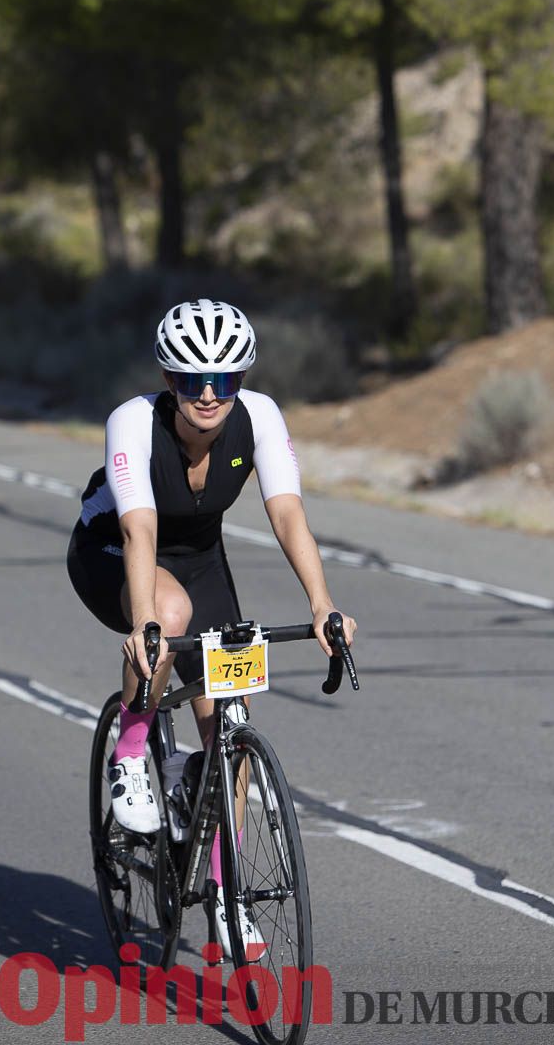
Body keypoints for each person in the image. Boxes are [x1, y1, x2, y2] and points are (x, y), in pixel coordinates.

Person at [67, 298, 357, 954]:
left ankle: (227, 898)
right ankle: (134, 750)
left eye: (223, 380)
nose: (207, 394)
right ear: (167, 379)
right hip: (113, 550)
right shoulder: (133, 423)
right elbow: (140, 528)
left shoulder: (258, 418)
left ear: (242, 380)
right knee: (167, 618)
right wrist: (145, 625)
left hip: (199, 562)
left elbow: (287, 513)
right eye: (191, 379)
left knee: (230, 720)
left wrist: (321, 604)